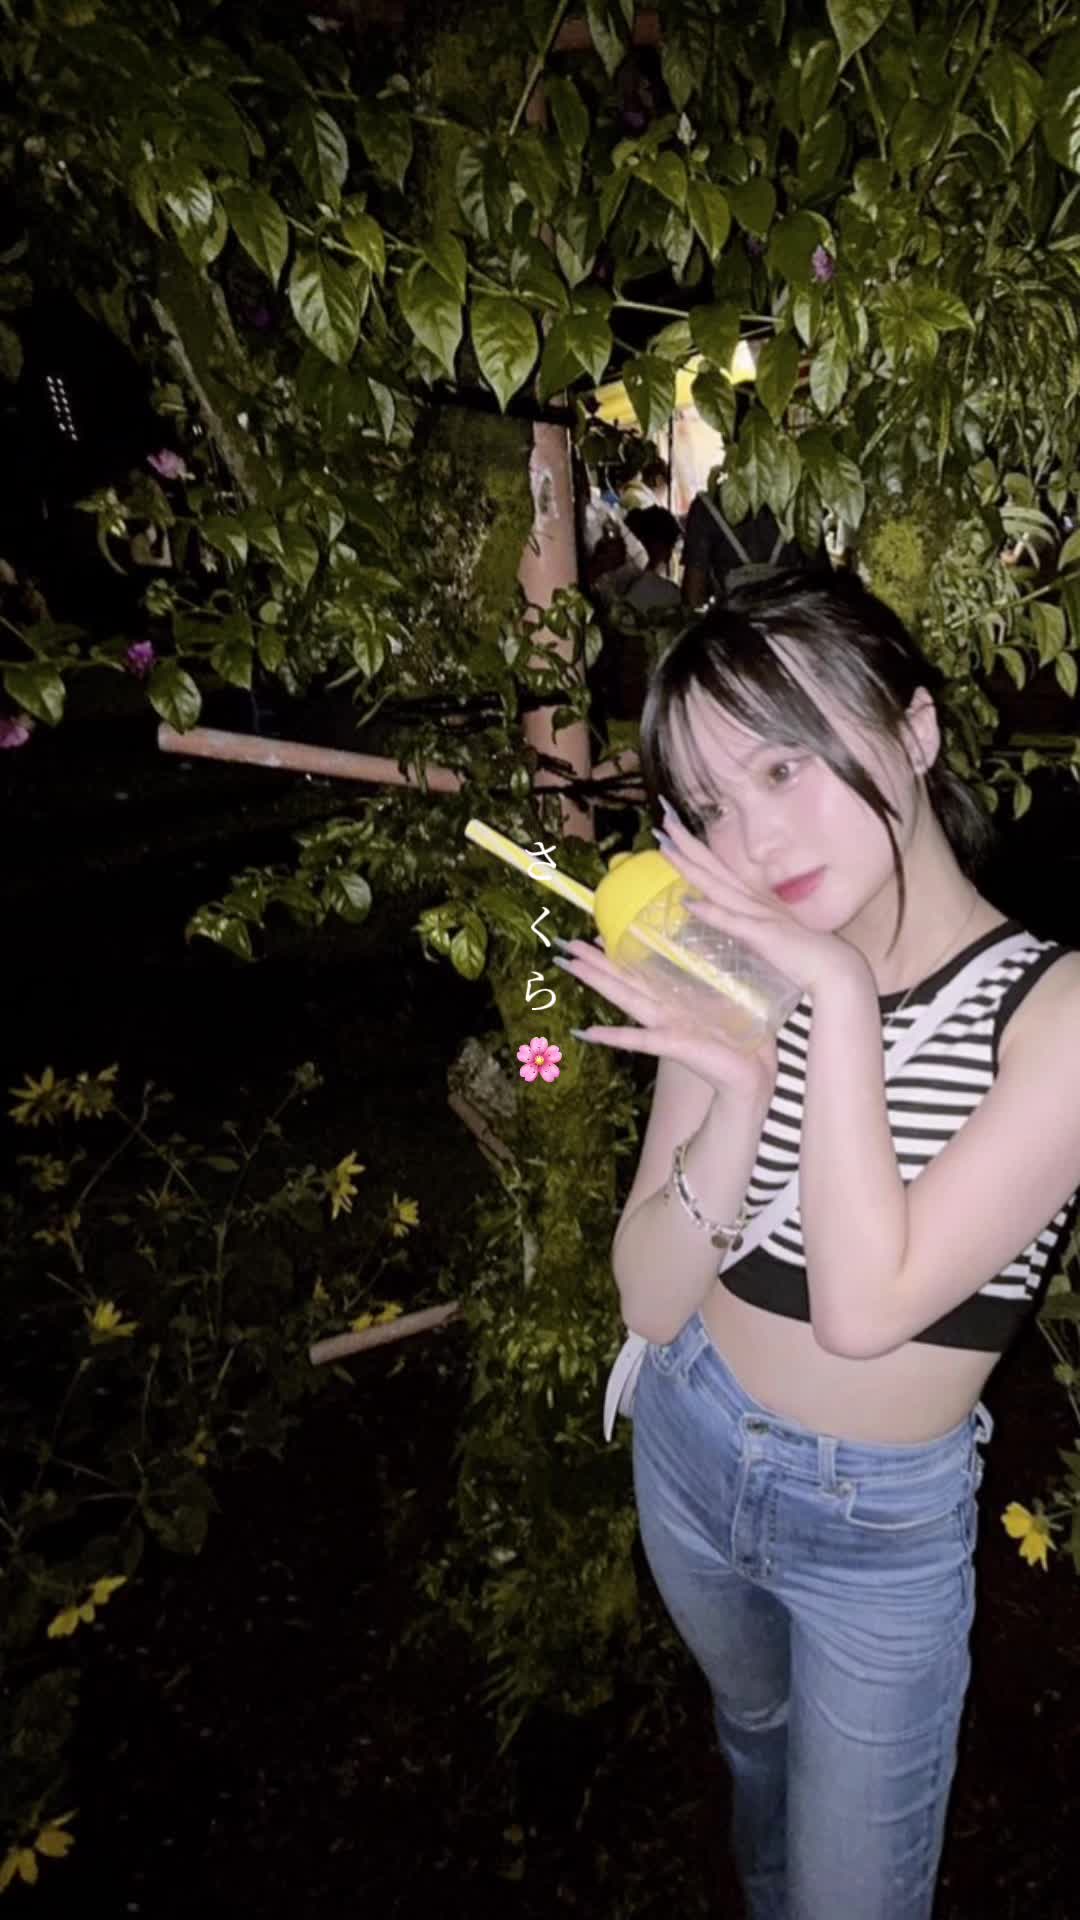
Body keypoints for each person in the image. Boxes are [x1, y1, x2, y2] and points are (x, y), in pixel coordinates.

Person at [552, 569, 1080, 1919]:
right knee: (752, 1735)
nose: (754, 837)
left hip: (876, 1535)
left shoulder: (1055, 1015)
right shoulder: (735, 960)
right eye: (712, 807)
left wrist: (836, 998)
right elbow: (649, 1295)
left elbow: (863, 1309)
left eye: (783, 767)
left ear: (915, 729)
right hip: (691, 1439)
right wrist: (733, 1093)